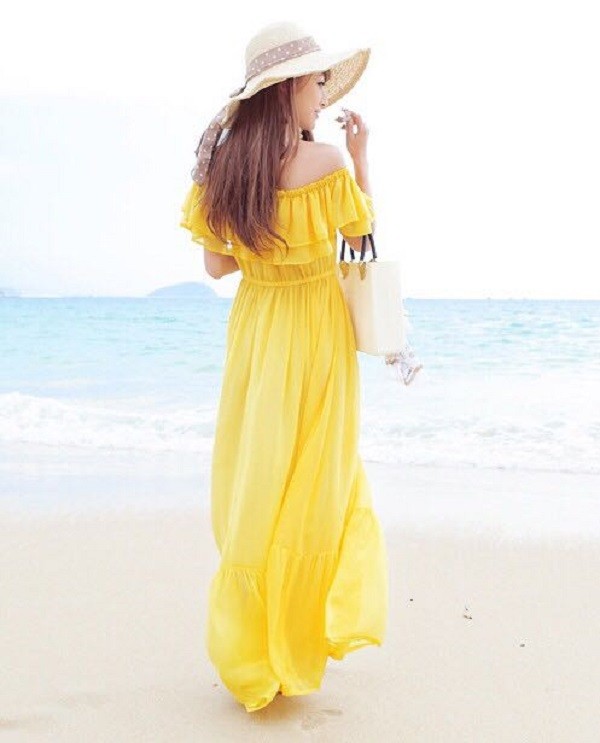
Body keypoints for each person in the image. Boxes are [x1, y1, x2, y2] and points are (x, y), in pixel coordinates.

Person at [179, 20, 388, 713]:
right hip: (315, 328)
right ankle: (294, 640)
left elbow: (217, 265)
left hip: (257, 331)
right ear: (289, 87)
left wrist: (265, 251)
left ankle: (249, 650)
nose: (323, 95)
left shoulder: (224, 169)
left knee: (259, 478)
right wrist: (361, 157)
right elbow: (361, 237)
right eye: (318, 82)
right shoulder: (326, 163)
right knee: (317, 476)